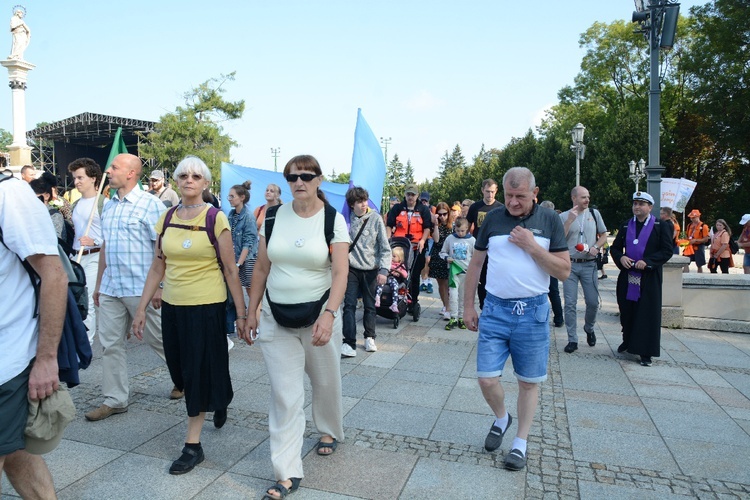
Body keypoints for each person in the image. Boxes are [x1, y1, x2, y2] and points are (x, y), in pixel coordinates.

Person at [241, 155, 348, 500]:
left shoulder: (333, 219)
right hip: (276, 315)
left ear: (319, 180)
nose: (298, 182)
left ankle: (328, 429)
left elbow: (340, 272)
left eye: (306, 176)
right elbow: (260, 268)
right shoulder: (272, 216)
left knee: (325, 380)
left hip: (319, 314)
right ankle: (286, 472)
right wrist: (252, 309)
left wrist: (330, 313)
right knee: (285, 396)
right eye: (292, 177)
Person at [132, 156, 246, 475]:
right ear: (177, 181)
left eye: (196, 176)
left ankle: (192, 446)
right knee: (179, 372)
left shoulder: (216, 218)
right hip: (172, 305)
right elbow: (158, 265)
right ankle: (219, 397)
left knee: (195, 372)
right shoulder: (167, 218)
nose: (189, 180)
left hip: (206, 304)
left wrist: (241, 313)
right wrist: (141, 308)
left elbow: (230, 270)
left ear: (206, 183)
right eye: (183, 175)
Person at [463, 167, 570, 471]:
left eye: (519, 196)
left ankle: (520, 443)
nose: (511, 202)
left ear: (535, 194)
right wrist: (468, 307)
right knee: (486, 378)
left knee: (528, 382)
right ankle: (501, 417)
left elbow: (563, 271)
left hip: (532, 312)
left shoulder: (549, 220)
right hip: (495, 310)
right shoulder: (493, 218)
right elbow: (475, 264)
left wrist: (532, 246)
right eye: (508, 195)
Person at [88, 153, 174, 422]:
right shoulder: (109, 205)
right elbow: (105, 246)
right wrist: (100, 283)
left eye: (114, 167)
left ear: (131, 173)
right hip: (113, 287)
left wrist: (160, 286)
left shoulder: (150, 205)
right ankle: (115, 399)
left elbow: (163, 250)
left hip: (142, 288)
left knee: (159, 339)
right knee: (110, 344)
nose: (108, 170)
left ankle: (184, 378)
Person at [0, 174, 67, 499]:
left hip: (6, 363)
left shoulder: (9, 194)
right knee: (15, 452)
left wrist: (46, 360)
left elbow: (54, 276)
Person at [610, 191, 674, 367]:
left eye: (641, 204)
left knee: (646, 313)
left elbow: (667, 251)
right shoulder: (625, 225)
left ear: (650, 207)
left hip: (649, 277)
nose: (637, 207)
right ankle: (628, 341)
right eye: (635, 203)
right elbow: (614, 249)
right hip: (628, 275)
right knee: (627, 310)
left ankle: (646, 352)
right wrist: (621, 258)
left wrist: (648, 262)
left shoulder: (661, 226)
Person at [342, 186, 390, 357]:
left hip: (371, 269)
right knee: (349, 305)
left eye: (365, 201)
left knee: (370, 306)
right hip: (352, 268)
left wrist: (383, 270)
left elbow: (385, 247)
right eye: (359, 202)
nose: (364, 205)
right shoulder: (346, 220)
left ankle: (370, 336)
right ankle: (348, 342)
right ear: (351, 204)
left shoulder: (376, 218)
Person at [559, 186, 608, 353]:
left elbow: (604, 235)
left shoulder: (594, 214)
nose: (587, 200)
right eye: (583, 197)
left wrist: (595, 247)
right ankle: (572, 339)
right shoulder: (564, 216)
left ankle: (589, 327)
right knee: (570, 303)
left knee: (593, 302)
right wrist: (569, 221)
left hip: (589, 264)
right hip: (570, 264)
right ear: (574, 198)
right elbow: (559, 239)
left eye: (588, 197)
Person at [68, 158, 106, 346]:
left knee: (87, 300)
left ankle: (86, 344)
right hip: (76, 257)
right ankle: (79, 339)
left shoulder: (103, 203)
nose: (77, 182)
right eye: (75, 178)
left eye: (80, 177)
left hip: (95, 256)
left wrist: (95, 240)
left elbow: (111, 234)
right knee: (76, 300)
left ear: (93, 178)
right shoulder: (75, 204)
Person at [386, 183, 433, 313]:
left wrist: (423, 241)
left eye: (413, 194)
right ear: (405, 195)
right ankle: (397, 299)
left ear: (417, 195)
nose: (410, 197)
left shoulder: (423, 210)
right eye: (408, 194)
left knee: (414, 276)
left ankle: (413, 302)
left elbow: (427, 228)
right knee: (397, 274)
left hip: (416, 248)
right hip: (400, 248)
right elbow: (389, 224)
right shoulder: (397, 208)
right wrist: (389, 239)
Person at [226, 181, 258, 344]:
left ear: (242, 198)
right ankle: (237, 322)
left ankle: (255, 323)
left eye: (232, 196)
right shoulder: (231, 215)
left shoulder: (249, 216)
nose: (229, 199)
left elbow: (249, 241)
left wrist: (239, 263)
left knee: (252, 292)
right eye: (229, 196)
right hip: (236, 257)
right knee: (236, 291)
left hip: (249, 258)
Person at [466, 179, 503, 309]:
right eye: (487, 191)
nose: (490, 195)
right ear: (482, 190)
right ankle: (483, 306)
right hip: (479, 248)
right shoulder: (475, 207)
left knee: (494, 278)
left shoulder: (501, 208)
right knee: (481, 279)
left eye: (493, 192)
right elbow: (467, 226)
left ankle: (494, 304)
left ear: (496, 191)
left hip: (495, 249)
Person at [440, 216, 475, 330]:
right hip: (453, 272)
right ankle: (453, 317)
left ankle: (461, 317)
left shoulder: (472, 240)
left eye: (463, 231)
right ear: (454, 229)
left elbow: (475, 257)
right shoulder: (450, 238)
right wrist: (446, 258)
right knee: (453, 295)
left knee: (463, 296)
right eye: (458, 231)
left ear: (467, 229)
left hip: (466, 272)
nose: (460, 233)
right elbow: (443, 252)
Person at [540, 200, 564, 327]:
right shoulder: (557, 224)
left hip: (545, 261)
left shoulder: (539, 223)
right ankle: (558, 318)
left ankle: (556, 317)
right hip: (550, 261)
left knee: (548, 291)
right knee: (553, 291)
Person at [429, 202, 453, 320]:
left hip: (449, 256)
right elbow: (437, 239)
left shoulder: (452, 226)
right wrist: (436, 224)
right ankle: (445, 305)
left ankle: (449, 307)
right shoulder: (434, 226)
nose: (442, 217)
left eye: (445, 214)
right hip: (438, 256)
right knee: (441, 284)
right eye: (440, 214)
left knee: (449, 284)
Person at [375, 247, 407, 313]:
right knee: (380, 283)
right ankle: (377, 297)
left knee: (395, 287)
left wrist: (398, 272)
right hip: (386, 278)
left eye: (394, 256)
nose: (392, 257)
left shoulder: (401, 266)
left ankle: (394, 303)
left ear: (399, 259)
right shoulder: (388, 264)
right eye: (391, 255)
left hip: (394, 280)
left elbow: (405, 275)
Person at [419, 191, 436, 294]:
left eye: (426, 200)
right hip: (420, 236)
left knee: (428, 259)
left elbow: (434, 220)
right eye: (422, 200)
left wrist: (428, 211)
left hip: (430, 237)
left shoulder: (432, 209)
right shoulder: (418, 208)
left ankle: (429, 281)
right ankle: (424, 282)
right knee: (422, 260)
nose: (424, 202)